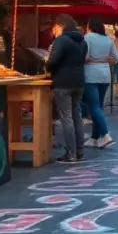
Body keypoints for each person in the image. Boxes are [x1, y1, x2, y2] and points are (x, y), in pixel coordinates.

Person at [45, 15, 87, 163]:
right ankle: (80, 151)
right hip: (79, 81)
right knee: (76, 116)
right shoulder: (82, 41)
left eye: (55, 28)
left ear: (60, 26)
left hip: (63, 82)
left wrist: (47, 66)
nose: (54, 31)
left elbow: (53, 60)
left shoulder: (61, 40)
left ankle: (71, 153)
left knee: (66, 118)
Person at [84, 17, 117, 149]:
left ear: (90, 26)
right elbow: (116, 57)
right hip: (105, 75)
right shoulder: (108, 39)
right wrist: (104, 59)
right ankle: (94, 138)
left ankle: (105, 134)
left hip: (91, 74)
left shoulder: (88, 37)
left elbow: (85, 57)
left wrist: (93, 59)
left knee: (94, 107)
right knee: (99, 107)